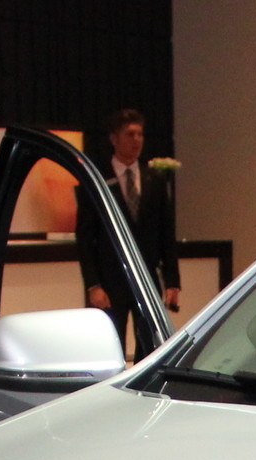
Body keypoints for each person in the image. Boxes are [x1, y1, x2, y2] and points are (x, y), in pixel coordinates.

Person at [80, 107, 182, 356]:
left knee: (148, 345)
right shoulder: (97, 180)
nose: (137, 140)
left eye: (140, 134)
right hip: (109, 279)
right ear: (114, 138)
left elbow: (166, 233)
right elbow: (84, 237)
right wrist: (93, 284)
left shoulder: (154, 179)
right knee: (110, 345)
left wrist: (172, 281)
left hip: (146, 277)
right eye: (130, 134)